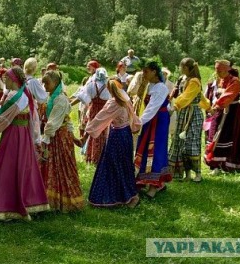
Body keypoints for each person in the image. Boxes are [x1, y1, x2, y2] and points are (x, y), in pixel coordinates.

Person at [0, 66, 50, 221]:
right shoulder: (26, 95)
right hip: (24, 137)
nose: (4, 80)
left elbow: (4, 119)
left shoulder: (13, 97)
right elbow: (33, 119)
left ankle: (6, 206)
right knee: (23, 168)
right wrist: (36, 138)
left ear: (13, 80)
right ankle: (28, 204)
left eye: (6, 78)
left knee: (7, 169)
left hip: (13, 136)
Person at [85, 78, 141, 208]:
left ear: (109, 90)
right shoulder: (126, 101)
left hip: (117, 136)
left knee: (112, 164)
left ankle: (119, 196)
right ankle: (130, 195)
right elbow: (133, 117)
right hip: (126, 135)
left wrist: (87, 132)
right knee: (124, 164)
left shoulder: (114, 103)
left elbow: (100, 118)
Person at [39, 70, 84, 212]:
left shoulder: (60, 100)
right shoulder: (52, 96)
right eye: (44, 83)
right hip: (56, 134)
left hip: (58, 137)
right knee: (52, 167)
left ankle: (63, 201)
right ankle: (49, 199)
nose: (44, 85)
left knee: (61, 167)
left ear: (56, 83)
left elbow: (52, 124)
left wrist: (44, 140)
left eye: (47, 83)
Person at [167, 58, 210, 182]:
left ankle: (198, 173)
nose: (180, 69)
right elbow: (199, 96)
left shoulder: (195, 81)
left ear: (185, 68)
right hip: (183, 114)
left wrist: (175, 106)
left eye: (181, 67)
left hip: (193, 115)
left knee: (191, 143)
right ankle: (186, 173)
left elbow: (188, 97)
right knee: (180, 142)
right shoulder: (182, 79)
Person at [134, 60, 171, 200]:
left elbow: (153, 107)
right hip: (151, 121)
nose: (144, 74)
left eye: (146, 71)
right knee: (145, 149)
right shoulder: (151, 85)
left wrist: (139, 122)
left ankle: (154, 186)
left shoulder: (161, 87)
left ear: (154, 72)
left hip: (158, 121)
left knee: (155, 150)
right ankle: (147, 181)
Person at [204, 60, 240, 174]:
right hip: (219, 113)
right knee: (215, 136)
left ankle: (229, 166)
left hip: (232, 114)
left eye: (220, 71)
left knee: (229, 138)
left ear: (226, 70)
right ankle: (215, 166)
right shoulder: (218, 81)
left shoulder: (235, 81)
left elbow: (228, 95)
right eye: (216, 70)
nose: (218, 73)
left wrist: (216, 106)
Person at [71, 64, 111, 165]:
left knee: (92, 131)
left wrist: (70, 104)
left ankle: (91, 156)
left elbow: (82, 98)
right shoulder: (108, 86)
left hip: (93, 110)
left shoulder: (91, 85)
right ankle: (101, 156)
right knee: (102, 131)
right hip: (104, 111)